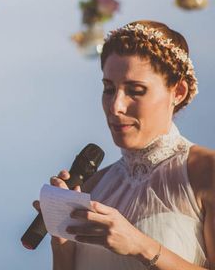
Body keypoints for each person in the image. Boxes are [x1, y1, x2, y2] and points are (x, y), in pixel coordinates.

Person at [45, 20, 214, 270]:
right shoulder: (92, 187)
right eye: (109, 89)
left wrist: (141, 246)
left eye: (135, 90)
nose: (116, 107)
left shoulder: (206, 171)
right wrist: (62, 245)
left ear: (177, 92)